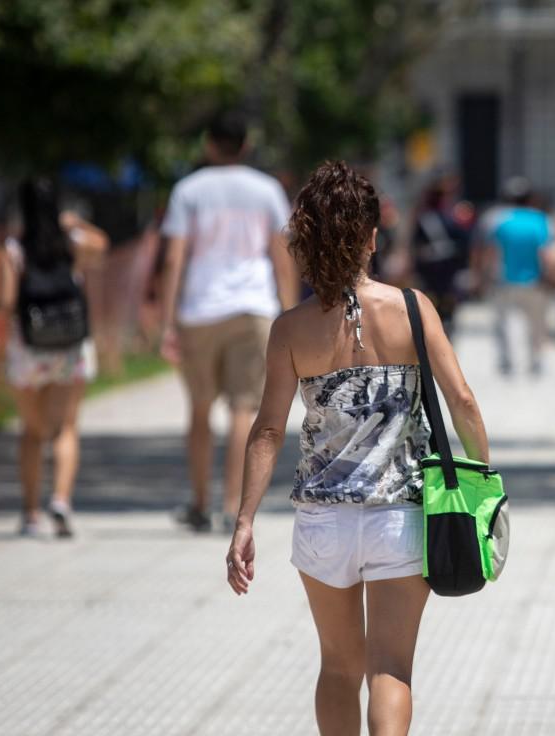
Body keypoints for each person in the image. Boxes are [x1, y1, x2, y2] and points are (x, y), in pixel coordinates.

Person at [225, 161, 489, 736]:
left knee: (338, 668)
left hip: (323, 523)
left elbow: (267, 430)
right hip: (400, 516)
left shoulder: (291, 328)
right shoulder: (413, 308)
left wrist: (245, 520)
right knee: (390, 668)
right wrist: (484, 484)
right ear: (372, 238)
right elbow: (463, 401)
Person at [159, 110, 300, 532]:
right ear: (246, 145)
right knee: (244, 408)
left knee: (200, 408)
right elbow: (281, 255)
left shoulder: (188, 190)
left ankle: (200, 503)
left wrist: (167, 322)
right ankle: (232, 506)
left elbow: (174, 258)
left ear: (208, 143)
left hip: (199, 310)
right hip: (253, 307)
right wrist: (290, 314)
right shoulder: (267, 189)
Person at [0, 178, 108, 537]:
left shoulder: (13, 249)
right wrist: (77, 223)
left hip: (29, 350)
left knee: (31, 431)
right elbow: (103, 245)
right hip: (69, 348)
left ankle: (31, 514)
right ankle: (60, 501)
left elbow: (7, 303)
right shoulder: (72, 243)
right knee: (65, 427)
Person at [481, 177, 554, 376]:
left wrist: (484, 276)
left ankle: (506, 362)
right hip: (534, 280)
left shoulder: (499, 220)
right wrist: (550, 275)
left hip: (504, 279)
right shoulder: (540, 219)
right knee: (536, 324)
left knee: (503, 323)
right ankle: (536, 361)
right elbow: (545, 253)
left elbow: (491, 251)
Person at [408, 172, 473, 336]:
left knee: (434, 301)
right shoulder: (451, 218)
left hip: (433, 269)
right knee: (445, 301)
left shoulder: (424, 217)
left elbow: (415, 245)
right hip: (445, 268)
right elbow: (464, 243)